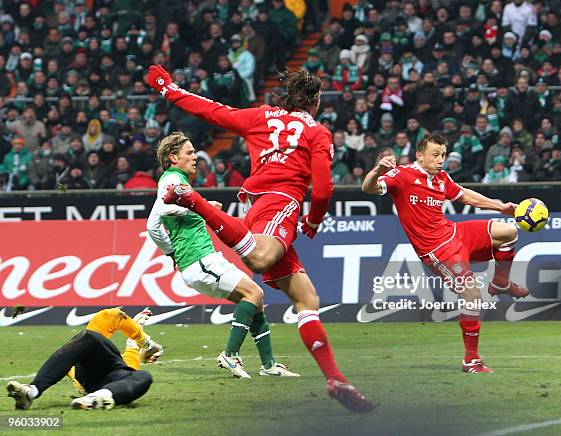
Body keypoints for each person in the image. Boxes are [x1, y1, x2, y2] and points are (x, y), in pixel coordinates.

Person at [147, 65, 375, 413]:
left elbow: (212, 109)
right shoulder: (316, 132)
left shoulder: (262, 117)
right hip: (281, 203)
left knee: (307, 300)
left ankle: (335, 379)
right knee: (259, 259)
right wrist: (313, 219)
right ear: (314, 102)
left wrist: (168, 88)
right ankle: (192, 199)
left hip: (254, 207)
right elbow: (325, 188)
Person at [362, 133, 529, 373]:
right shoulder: (402, 176)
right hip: (437, 250)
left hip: (454, 233)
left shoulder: (441, 177)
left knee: (508, 232)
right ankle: (471, 359)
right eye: (435, 155)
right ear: (420, 155)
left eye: (443, 155)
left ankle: (501, 281)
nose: (441, 160)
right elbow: (368, 188)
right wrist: (378, 169)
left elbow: (467, 196)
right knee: (472, 294)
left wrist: (501, 207)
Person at [146, 132, 297, 379]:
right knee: (255, 293)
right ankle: (230, 354)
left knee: (254, 301)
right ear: (173, 157)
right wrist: (198, 208)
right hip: (200, 259)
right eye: (189, 152)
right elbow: (163, 210)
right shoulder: (172, 179)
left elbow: (153, 224)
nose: (195, 157)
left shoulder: (174, 180)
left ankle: (269, 365)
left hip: (197, 262)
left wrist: (172, 251)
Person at [7, 308, 162, 410]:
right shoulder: (84, 346)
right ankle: (31, 391)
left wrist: (135, 343)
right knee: (89, 336)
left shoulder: (85, 351)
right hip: (92, 379)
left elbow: (131, 371)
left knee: (144, 376)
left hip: (115, 378)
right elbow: (112, 317)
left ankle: (100, 398)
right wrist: (140, 338)